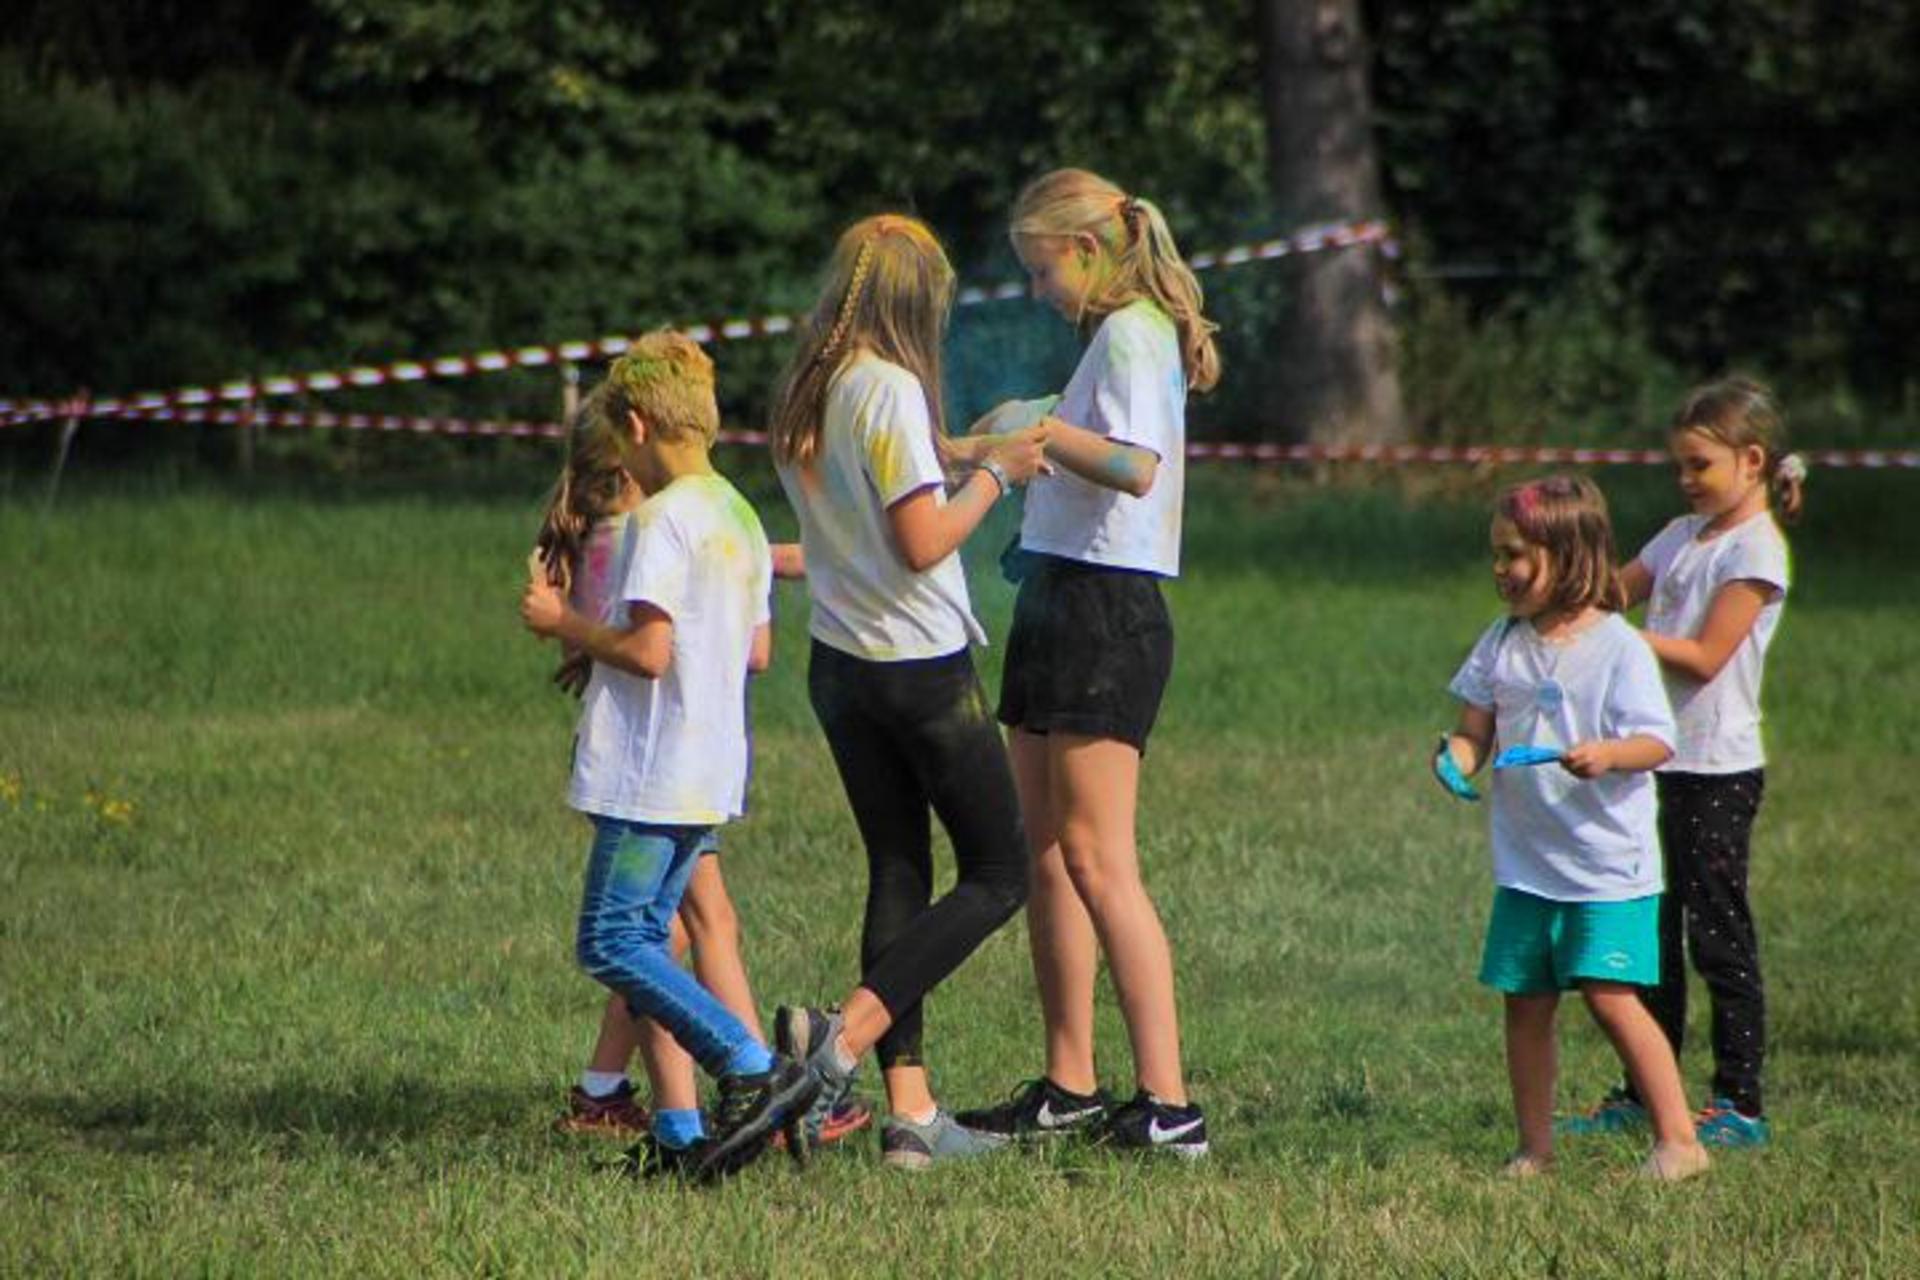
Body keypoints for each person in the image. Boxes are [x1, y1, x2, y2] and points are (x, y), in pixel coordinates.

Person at [765, 213, 1050, 1169]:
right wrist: (1000, 477)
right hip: (915, 669)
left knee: (899, 867)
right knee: (1001, 872)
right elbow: (922, 540)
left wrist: (965, 452)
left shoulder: (814, 387)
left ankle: (913, 1118)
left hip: (839, 667)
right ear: (920, 304)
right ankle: (834, 1043)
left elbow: (890, 481)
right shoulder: (885, 388)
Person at [950, 168, 1216, 1157]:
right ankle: (1068, 1082)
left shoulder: (1138, 329)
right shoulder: (1106, 339)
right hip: (1056, 595)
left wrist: (1046, 433)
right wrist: (1010, 423)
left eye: (1041, 268)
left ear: (1091, 252)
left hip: (1109, 612)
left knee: (1101, 859)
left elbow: (1136, 464)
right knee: (1046, 852)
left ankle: (1170, 1104)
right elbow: (1070, 431)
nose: (1037, 288)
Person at [532, 385, 868, 1158]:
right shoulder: (645, 535)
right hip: (664, 764)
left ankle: (669, 1117)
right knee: (648, 938)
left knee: (667, 937)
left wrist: (770, 563)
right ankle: (757, 1078)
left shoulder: (630, 532)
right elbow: (705, 649)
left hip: (671, 765)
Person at [1435, 473, 1710, 1181]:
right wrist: (1457, 760)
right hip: (1528, 867)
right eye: (1496, 555)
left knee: (1610, 998)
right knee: (1524, 1006)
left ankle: (1680, 1141)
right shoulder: (1501, 643)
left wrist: (1609, 755)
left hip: (1607, 869)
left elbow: (1657, 740)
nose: (1501, 570)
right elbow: (1475, 729)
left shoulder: (1619, 647)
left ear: (1573, 555)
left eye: (1517, 554)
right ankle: (1535, 1148)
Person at [1561, 378, 1803, 1149]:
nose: (1686, 480)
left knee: (1717, 934)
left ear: (1752, 460)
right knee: (1650, 929)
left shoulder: (1757, 550)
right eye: (1679, 466)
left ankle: (1740, 1103)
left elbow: (1703, 656)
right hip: (1654, 764)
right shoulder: (1679, 534)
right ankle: (1644, 1090)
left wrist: (1617, 635)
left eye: (1699, 465)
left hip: (1717, 770)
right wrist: (1561, 574)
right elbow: (1612, 594)